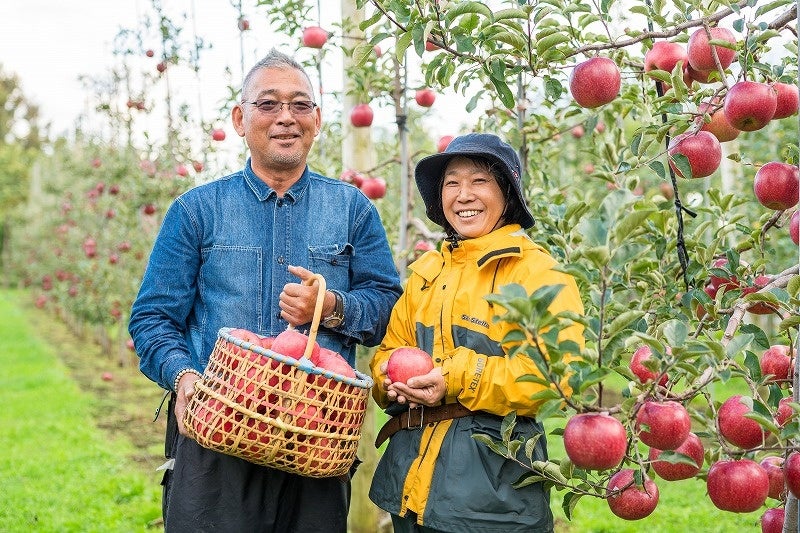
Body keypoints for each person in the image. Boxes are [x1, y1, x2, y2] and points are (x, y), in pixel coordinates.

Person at [128, 48, 403, 533]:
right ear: (240, 118)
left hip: (315, 434)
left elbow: (387, 310)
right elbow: (153, 319)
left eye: (300, 105)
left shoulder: (353, 210)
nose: (286, 118)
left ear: (317, 119)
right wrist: (184, 376)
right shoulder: (197, 211)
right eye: (268, 104)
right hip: (216, 431)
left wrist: (333, 307)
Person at [369, 133, 585, 532]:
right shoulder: (428, 273)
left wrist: (452, 378)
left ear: (507, 193)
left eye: (479, 181)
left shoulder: (537, 275)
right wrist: (388, 381)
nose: (463, 195)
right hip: (410, 495)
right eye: (452, 183)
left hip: (493, 503)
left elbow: (555, 379)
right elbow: (389, 351)